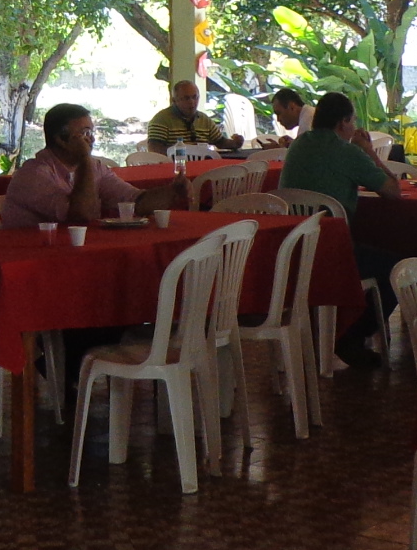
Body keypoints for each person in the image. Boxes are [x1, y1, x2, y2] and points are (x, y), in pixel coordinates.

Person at [274, 92, 403, 365]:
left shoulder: (298, 146)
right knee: (396, 268)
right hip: (332, 253)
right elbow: (393, 191)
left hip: (292, 249)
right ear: (343, 122)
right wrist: (368, 151)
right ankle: (350, 337)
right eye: (353, 121)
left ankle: (340, 333)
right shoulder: (348, 152)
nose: (354, 127)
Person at [1, 102, 176, 229]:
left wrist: (173, 192)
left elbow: (136, 202)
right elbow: (81, 216)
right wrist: (84, 158)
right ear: (60, 139)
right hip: (30, 257)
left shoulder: (95, 168)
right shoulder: (33, 174)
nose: (91, 139)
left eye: (92, 132)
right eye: (84, 133)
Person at [145, 78, 242, 155]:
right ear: (174, 100)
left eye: (195, 97)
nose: (192, 102)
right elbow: (154, 150)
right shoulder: (161, 120)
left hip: (202, 168)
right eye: (186, 98)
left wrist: (235, 143)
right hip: (173, 169)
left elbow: (220, 142)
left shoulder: (204, 120)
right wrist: (185, 154)